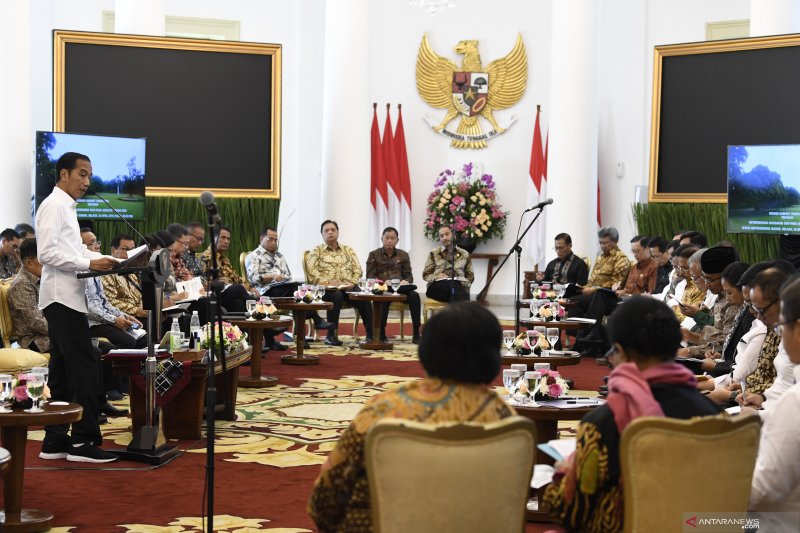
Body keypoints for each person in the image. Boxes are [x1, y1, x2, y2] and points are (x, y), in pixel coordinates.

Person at [308, 302, 515, 532]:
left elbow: (324, 502)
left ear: (426, 350)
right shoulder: (506, 418)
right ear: (494, 355)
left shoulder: (383, 410)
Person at [543, 297, 720, 532]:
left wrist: (563, 472)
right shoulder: (714, 416)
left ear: (621, 352)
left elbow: (572, 511)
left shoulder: (606, 423)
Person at [35, 152, 119, 463]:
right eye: (81, 174)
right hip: (61, 298)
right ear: (63, 174)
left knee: (60, 373)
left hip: (66, 298)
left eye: (89, 175)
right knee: (85, 367)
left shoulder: (66, 207)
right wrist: (88, 261)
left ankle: (54, 442)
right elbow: (46, 254)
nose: (87, 182)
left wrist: (115, 262)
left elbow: (69, 249)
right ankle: (83, 442)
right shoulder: (54, 206)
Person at [749, 273, 800, 532]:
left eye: (781, 327)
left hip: (780, 524)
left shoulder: (795, 401)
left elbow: (760, 494)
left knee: (693, 521)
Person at [245, 226, 331, 330]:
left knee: (299, 291)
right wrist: (271, 277)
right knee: (298, 290)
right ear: (261, 239)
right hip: (265, 290)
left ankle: (301, 334)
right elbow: (253, 279)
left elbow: (288, 276)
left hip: (283, 287)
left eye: (275, 240)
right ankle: (316, 319)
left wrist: (281, 278)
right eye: (270, 239)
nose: (273, 242)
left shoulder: (279, 255)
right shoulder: (253, 256)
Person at [305, 220, 373, 346]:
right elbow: (311, 271)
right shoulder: (317, 251)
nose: (330, 232)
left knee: (363, 295)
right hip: (325, 289)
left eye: (333, 230)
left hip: (348, 286)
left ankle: (371, 334)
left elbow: (357, 269)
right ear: (322, 234)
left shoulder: (348, 250)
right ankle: (330, 336)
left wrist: (352, 282)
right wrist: (327, 282)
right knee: (337, 295)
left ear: (338, 232)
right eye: (326, 230)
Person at [366, 227, 421, 344]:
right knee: (384, 297)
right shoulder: (373, 255)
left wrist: (405, 281)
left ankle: (416, 331)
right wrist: (383, 282)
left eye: (392, 238)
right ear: (382, 239)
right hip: (383, 288)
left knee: (414, 295)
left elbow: (409, 276)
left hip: (400, 288)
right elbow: (370, 277)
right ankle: (381, 332)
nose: (389, 241)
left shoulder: (403, 255)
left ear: (397, 240)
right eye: (387, 238)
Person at [8, 238, 50, 352]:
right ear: (30, 262)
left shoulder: (40, 278)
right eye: (44, 260)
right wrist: (64, 330)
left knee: (94, 347)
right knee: (90, 350)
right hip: (35, 341)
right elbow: (35, 322)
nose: (49, 264)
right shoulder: (21, 284)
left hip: (49, 335)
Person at [422, 225, 474, 302]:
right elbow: (426, 275)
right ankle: (463, 309)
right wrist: (436, 277)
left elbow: (470, 276)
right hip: (436, 288)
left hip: (457, 286)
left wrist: (463, 282)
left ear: (454, 235)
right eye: (441, 236)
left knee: (454, 290)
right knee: (458, 293)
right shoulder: (434, 253)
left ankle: (452, 312)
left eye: (447, 234)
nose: (444, 238)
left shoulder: (464, 254)